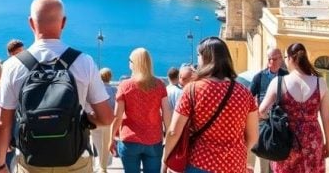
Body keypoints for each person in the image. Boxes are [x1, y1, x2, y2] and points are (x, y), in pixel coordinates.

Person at [0, 0, 114, 173]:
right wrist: (87, 119)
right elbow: (106, 118)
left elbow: (3, 123)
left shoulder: (13, 65)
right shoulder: (84, 62)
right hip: (75, 161)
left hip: (31, 162)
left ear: (31, 23)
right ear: (63, 23)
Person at [161, 36, 259, 173]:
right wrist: (239, 154)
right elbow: (253, 136)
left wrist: (165, 159)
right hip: (234, 166)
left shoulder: (193, 90)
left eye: (198, 56)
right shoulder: (244, 93)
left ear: (205, 58)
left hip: (200, 163)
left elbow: (173, 131)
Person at [257, 43, 329, 173]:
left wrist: (273, 117)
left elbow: (262, 111)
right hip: (313, 139)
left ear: (290, 58)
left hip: (286, 139)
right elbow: (327, 119)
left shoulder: (279, 82)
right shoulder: (321, 83)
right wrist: (328, 145)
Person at [110, 48, 171, 173]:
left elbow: (117, 116)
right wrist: (169, 138)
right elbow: (167, 113)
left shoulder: (125, 85)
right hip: (154, 140)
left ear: (134, 63)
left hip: (130, 140)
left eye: (129, 60)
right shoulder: (160, 85)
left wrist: (110, 138)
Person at [250, 47, 287, 173]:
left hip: (280, 121)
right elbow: (249, 97)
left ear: (281, 59)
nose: (271, 61)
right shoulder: (259, 77)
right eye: (269, 59)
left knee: (276, 155)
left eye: (275, 58)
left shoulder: (286, 76)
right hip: (263, 120)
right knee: (264, 152)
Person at [91, 68, 118, 173]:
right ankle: (103, 166)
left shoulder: (95, 90)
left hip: (96, 121)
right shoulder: (114, 90)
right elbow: (116, 108)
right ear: (110, 77)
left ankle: (101, 165)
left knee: (97, 144)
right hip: (109, 122)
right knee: (106, 144)